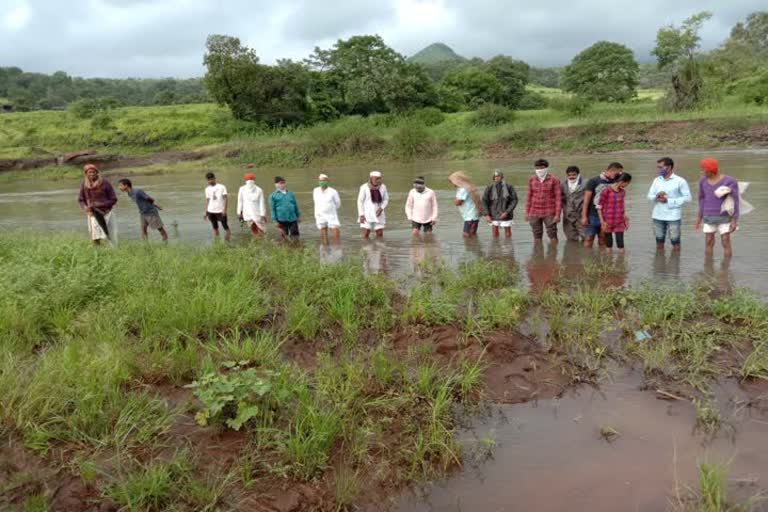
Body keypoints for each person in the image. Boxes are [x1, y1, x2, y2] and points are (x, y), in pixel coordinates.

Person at [695, 158, 739, 258]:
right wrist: (699, 218)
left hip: (725, 217)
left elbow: (735, 201)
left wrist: (734, 220)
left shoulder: (730, 181)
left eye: (703, 169)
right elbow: (701, 199)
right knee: (708, 241)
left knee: (725, 241)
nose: (702, 172)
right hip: (708, 216)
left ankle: (726, 268)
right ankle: (708, 266)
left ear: (710, 170)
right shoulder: (702, 181)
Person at [646, 157, 691, 251]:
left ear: (669, 167)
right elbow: (649, 196)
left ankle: (675, 263)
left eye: (660, 167)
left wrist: (669, 201)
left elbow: (688, 198)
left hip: (673, 216)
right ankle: (660, 263)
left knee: (675, 242)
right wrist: (656, 196)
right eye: (658, 167)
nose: (658, 169)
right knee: (659, 241)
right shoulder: (656, 180)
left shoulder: (680, 181)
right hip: (657, 215)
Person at [581, 162, 624, 248]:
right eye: (618, 172)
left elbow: (620, 199)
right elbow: (586, 200)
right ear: (612, 170)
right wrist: (584, 216)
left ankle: (603, 260)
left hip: (608, 216)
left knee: (603, 238)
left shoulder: (616, 181)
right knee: (589, 238)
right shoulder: (593, 181)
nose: (619, 174)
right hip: (593, 215)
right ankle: (586, 258)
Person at [78, 163, 118, 246]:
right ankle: (98, 252)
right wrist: (85, 207)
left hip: (107, 212)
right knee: (95, 237)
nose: (92, 174)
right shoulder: (84, 184)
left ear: (97, 172)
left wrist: (99, 205)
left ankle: (114, 252)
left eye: (93, 172)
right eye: (89, 172)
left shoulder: (105, 183)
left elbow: (114, 199)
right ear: (86, 174)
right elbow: (81, 199)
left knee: (111, 235)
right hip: (93, 214)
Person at [525, 158, 561, 243]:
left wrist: (557, 214)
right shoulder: (532, 179)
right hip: (534, 212)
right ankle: (538, 253)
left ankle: (553, 254)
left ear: (546, 168)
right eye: (537, 168)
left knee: (552, 234)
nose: (539, 170)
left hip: (549, 211)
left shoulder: (554, 180)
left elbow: (558, 198)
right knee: (536, 234)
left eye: (541, 168)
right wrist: (527, 213)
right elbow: (529, 197)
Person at [597, 172, 632, 254]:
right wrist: (602, 222)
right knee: (609, 244)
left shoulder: (622, 192)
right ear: (622, 181)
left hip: (619, 221)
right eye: (627, 183)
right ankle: (609, 263)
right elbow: (599, 207)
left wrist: (626, 219)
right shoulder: (606, 191)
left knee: (621, 244)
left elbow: (622, 206)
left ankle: (621, 263)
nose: (627, 185)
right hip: (607, 221)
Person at [482, 169, 518, 239]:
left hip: (506, 214)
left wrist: (507, 212)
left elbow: (514, 200)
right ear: (493, 178)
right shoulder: (489, 188)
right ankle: (496, 248)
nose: (497, 178)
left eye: (499, 176)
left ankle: (507, 247)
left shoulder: (509, 187)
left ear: (502, 177)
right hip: (493, 214)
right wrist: (486, 215)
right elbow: (484, 201)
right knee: (495, 233)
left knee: (507, 233)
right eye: (495, 176)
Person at [448, 171, 482, 238]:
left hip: (470, 216)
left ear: (457, 181)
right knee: (472, 235)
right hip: (472, 216)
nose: (452, 184)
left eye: (452, 182)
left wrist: (454, 201)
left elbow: (458, 202)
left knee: (466, 235)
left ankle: (471, 247)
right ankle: (474, 247)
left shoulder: (463, 189)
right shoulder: (467, 187)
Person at [357, 171, 389, 239]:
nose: (378, 180)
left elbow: (386, 199)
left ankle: (379, 248)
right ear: (371, 178)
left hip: (379, 212)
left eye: (379, 178)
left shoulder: (383, 187)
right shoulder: (364, 187)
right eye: (376, 179)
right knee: (366, 233)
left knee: (379, 233)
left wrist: (381, 208)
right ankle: (366, 248)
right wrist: (361, 214)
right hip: (367, 213)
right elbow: (360, 201)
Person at [313, 173, 341, 244]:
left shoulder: (333, 191)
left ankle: (337, 248)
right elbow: (315, 201)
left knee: (335, 229)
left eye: (323, 180)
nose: (322, 182)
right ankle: (325, 248)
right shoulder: (315, 190)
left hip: (331, 214)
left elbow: (338, 203)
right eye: (320, 180)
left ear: (327, 181)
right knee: (323, 230)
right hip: (320, 214)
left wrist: (330, 209)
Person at [270, 176, 300, 240]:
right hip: (281, 219)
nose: (283, 184)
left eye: (284, 183)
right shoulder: (273, 196)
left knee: (295, 235)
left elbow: (295, 205)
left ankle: (296, 246)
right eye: (281, 183)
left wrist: (298, 216)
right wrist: (275, 221)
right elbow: (272, 209)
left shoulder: (290, 194)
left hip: (293, 218)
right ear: (276, 184)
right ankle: (285, 248)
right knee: (284, 236)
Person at [236, 172, 266, 237]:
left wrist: (239, 212)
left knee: (255, 230)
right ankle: (259, 242)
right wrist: (263, 214)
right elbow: (262, 203)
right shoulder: (258, 189)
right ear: (254, 180)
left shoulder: (243, 189)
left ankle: (256, 242)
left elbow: (240, 202)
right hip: (254, 213)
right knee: (260, 230)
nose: (250, 182)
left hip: (251, 213)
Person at [561, 165, 585, 242]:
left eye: (574, 175)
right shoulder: (563, 184)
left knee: (586, 237)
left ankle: (586, 253)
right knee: (571, 239)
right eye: (569, 175)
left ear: (578, 174)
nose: (571, 177)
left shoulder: (586, 183)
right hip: (568, 216)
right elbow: (559, 199)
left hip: (581, 215)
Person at [204, 172, 231, 241]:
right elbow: (207, 200)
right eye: (208, 180)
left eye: (211, 179)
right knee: (215, 227)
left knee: (225, 227)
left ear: (214, 178)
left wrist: (224, 210)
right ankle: (217, 243)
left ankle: (227, 242)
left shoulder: (221, 187)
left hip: (220, 211)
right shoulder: (207, 189)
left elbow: (225, 198)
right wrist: (206, 212)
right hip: (211, 211)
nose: (210, 181)